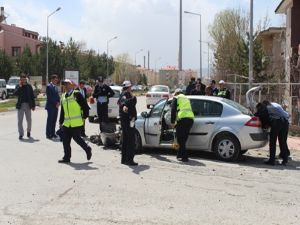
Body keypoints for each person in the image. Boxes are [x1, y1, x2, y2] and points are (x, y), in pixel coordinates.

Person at [58, 79, 92, 163]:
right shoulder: (63, 96)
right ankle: (66, 157)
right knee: (65, 141)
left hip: (76, 123)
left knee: (77, 139)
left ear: (72, 85)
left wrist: (84, 117)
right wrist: (60, 121)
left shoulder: (77, 94)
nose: (65, 86)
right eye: (64, 84)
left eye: (67, 84)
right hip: (66, 124)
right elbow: (62, 110)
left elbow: (85, 106)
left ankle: (87, 149)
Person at [262, 100, 290, 166]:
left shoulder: (269, 107)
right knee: (283, 141)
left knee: (272, 141)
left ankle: (271, 161)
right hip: (285, 122)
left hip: (277, 122)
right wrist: (287, 115)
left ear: (265, 105)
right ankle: (285, 160)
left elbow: (281, 113)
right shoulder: (275, 104)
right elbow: (283, 113)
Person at [171, 88, 194, 162]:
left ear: (176, 93)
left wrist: (172, 122)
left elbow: (173, 110)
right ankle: (179, 155)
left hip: (182, 119)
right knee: (183, 139)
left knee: (180, 139)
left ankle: (185, 157)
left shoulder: (176, 97)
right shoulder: (186, 98)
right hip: (190, 119)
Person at [118, 80, 138, 166]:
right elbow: (124, 104)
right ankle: (129, 160)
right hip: (128, 120)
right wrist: (126, 106)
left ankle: (124, 159)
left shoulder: (124, 94)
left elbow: (122, 103)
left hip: (125, 120)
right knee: (130, 140)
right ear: (128, 87)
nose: (131, 88)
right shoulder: (125, 94)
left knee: (126, 140)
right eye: (130, 87)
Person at [14, 75, 36, 140]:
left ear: (26, 79)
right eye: (22, 79)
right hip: (20, 106)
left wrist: (33, 105)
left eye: (24, 79)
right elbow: (15, 94)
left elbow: (32, 96)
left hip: (28, 105)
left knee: (29, 120)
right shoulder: (18, 86)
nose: (23, 80)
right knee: (19, 121)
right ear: (20, 80)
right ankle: (21, 134)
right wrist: (20, 87)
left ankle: (28, 131)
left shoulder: (29, 86)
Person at [45, 74, 60, 139]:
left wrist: (59, 102)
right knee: (50, 121)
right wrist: (56, 103)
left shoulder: (56, 87)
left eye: (57, 80)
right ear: (52, 80)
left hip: (56, 107)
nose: (56, 81)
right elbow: (50, 97)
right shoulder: (49, 86)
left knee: (54, 120)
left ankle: (53, 133)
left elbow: (57, 96)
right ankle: (48, 134)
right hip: (51, 106)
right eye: (55, 79)